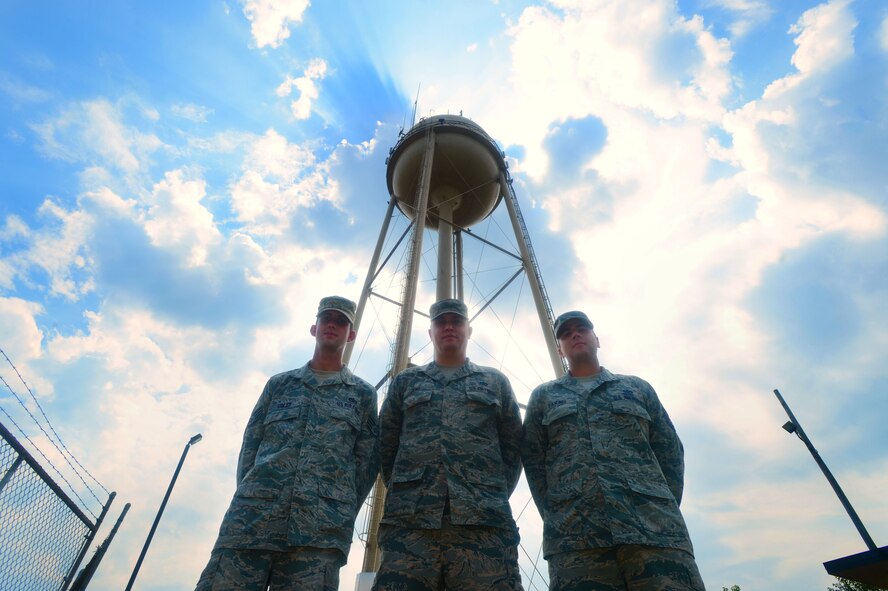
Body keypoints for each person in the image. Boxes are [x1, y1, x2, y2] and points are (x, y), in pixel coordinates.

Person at [196, 296, 379, 591]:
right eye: (326, 318)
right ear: (314, 327)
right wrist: (257, 494)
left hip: (318, 535)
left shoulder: (362, 395)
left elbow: (367, 465)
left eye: (341, 321)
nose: (332, 324)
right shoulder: (279, 385)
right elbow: (250, 450)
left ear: (352, 334)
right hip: (251, 524)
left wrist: (336, 510)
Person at [522, 311, 705, 591]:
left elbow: (670, 453)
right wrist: (563, 515)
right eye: (566, 332)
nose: (575, 334)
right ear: (559, 348)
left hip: (655, 536)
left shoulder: (636, 388)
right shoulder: (544, 398)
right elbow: (535, 465)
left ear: (596, 339)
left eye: (581, 329)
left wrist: (654, 507)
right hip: (578, 544)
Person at [372, 298, 525, 591]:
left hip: (483, 527)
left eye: (457, 322)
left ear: (469, 330)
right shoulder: (406, 383)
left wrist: (484, 490)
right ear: (430, 333)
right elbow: (386, 444)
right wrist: (411, 490)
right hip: (411, 527)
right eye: (441, 323)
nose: (449, 327)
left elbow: (514, 448)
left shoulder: (494, 382)